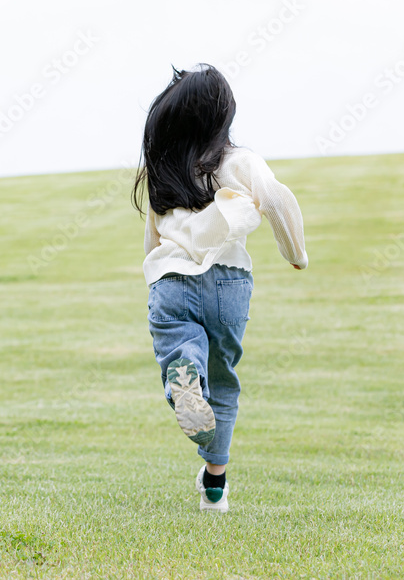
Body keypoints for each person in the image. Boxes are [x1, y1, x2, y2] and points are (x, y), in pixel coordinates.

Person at [132, 64, 308, 513]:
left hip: (172, 281)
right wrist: (295, 252)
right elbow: (276, 199)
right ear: (223, 115)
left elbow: (153, 241)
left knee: (182, 350)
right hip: (229, 283)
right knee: (224, 382)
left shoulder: (165, 171)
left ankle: (185, 371)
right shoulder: (238, 161)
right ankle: (215, 487)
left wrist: (158, 278)